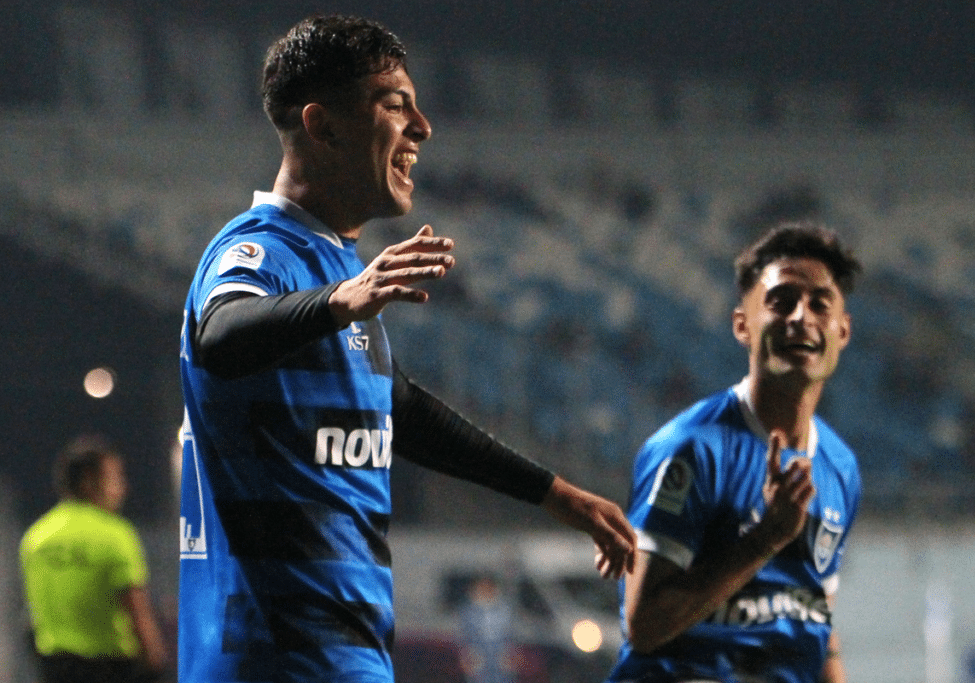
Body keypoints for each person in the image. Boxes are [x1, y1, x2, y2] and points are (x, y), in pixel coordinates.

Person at [176, 14, 636, 683]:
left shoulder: (335, 269)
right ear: (323, 125)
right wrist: (342, 299)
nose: (422, 126)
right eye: (395, 105)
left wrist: (556, 493)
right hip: (271, 662)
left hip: (343, 660)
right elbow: (220, 335)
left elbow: (400, 411)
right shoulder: (259, 250)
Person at [602, 222, 862, 683]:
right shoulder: (691, 450)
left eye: (819, 304)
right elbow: (643, 628)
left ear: (842, 330)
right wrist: (764, 540)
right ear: (743, 325)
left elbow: (815, 616)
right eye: (781, 301)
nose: (801, 317)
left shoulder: (840, 466)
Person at [19, 435, 170, 683]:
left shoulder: (36, 538)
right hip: (110, 670)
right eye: (116, 478)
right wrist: (156, 664)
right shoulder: (115, 534)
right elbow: (138, 613)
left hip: (52, 669)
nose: (123, 487)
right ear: (90, 481)